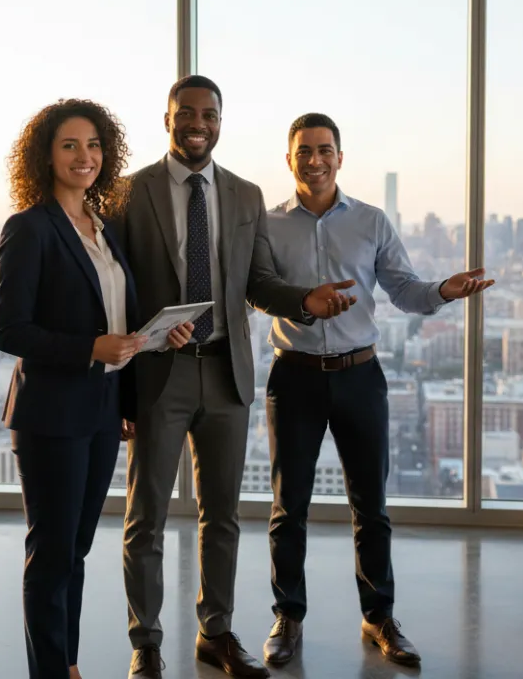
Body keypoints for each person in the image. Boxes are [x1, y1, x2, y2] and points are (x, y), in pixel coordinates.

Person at [117, 77, 358, 679]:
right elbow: (117, 292)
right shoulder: (129, 192)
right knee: (146, 515)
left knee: (221, 514)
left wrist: (307, 301)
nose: (198, 123)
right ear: (168, 118)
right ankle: (145, 642)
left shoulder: (245, 195)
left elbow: (258, 284)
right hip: (158, 375)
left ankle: (215, 632)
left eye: (210, 114)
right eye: (187, 114)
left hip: (226, 374)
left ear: (221, 121)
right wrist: (131, 359)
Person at [258, 112, 494, 669]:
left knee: (373, 507)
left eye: (325, 150)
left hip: (360, 375)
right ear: (288, 159)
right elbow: (258, 294)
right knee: (287, 508)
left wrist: (443, 289)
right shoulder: (266, 225)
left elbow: (404, 291)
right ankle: (287, 616)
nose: (315, 160)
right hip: (293, 376)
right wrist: (302, 299)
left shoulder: (371, 221)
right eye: (304, 151)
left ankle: (379, 617)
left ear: (341, 157)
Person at [0, 99, 191, 679]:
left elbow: (117, 321)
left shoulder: (103, 230)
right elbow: (11, 330)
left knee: (75, 549)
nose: (85, 156)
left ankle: (67, 663)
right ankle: (50, 672)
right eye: (70, 145)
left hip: (102, 410)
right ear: (45, 156)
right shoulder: (29, 228)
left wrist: (155, 339)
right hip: (51, 414)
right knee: (51, 553)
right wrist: (90, 347)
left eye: (94, 145)